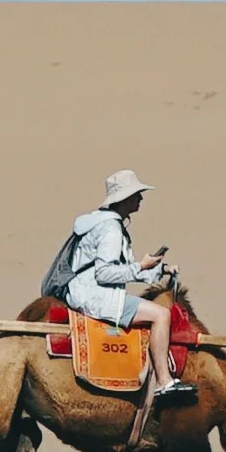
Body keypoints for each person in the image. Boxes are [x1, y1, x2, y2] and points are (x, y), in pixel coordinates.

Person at [53, 170, 191, 438]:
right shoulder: (110, 229)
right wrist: (141, 265)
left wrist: (157, 270)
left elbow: (121, 270)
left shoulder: (105, 224)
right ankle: (164, 381)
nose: (141, 198)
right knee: (161, 315)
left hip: (86, 290)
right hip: (94, 295)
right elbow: (105, 273)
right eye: (136, 195)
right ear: (124, 198)